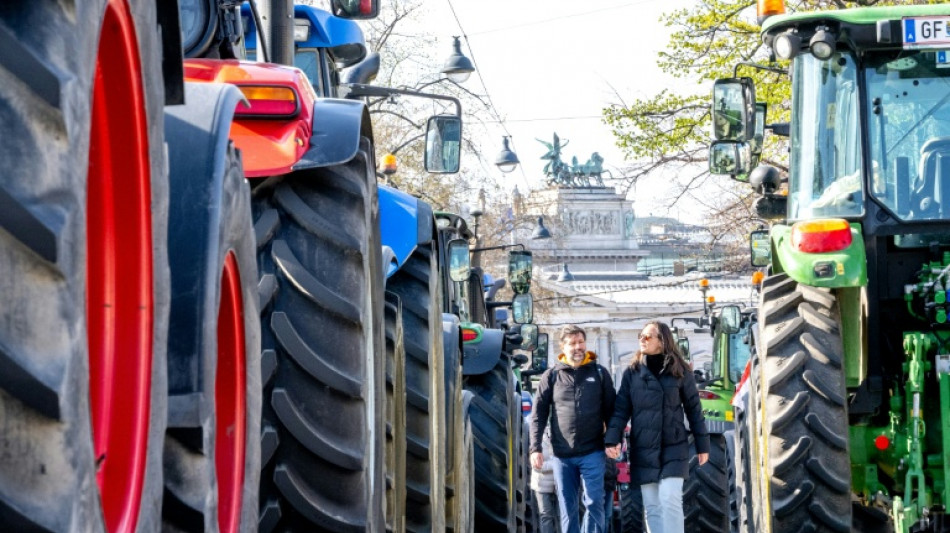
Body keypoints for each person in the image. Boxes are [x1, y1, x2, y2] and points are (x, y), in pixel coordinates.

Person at [605, 321, 709, 533]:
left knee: (669, 498)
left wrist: (702, 445)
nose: (642, 340)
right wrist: (611, 439)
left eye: (648, 336)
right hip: (644, 447)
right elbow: (621, 410)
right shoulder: (632, 373)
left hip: (674, 444)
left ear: (662, 341)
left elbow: (694, 410)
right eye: (640, 336)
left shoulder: (680, 371)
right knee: (652, 505)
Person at [531, 324, 616, 533]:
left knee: (594, 501)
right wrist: (535, 448)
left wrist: (613, 441)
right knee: (567, 509)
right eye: (572, 343)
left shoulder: (599, 374)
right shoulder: (551, 377)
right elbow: (538, 415)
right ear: (563, 347)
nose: (578, 347)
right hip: (562, 455)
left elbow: (612, 412)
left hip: (593, 452)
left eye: (581, 342)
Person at [531, 423, 560, 533]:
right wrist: (555, 465)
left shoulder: (561, 439)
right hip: (541, 485)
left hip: (558, 484)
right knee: (546, 516)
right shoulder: (536, 440)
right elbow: (537, 465)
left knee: (562, 515)